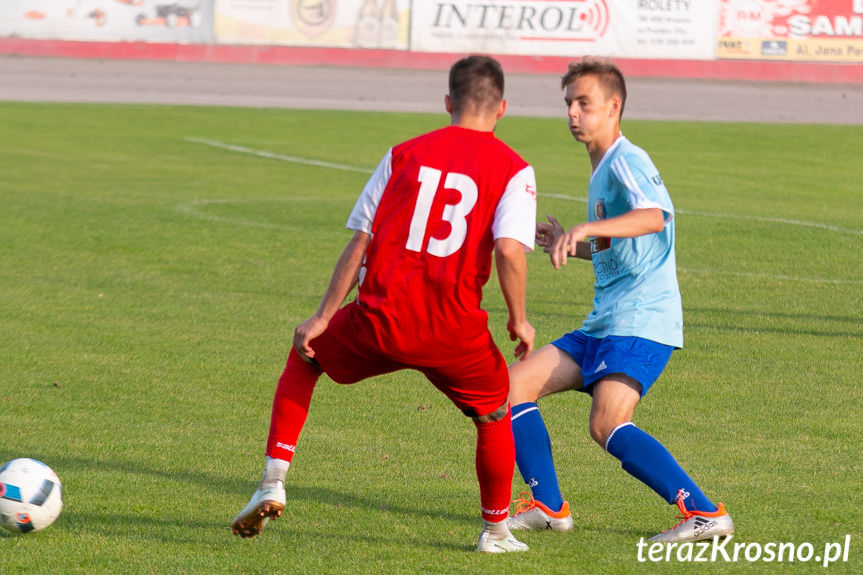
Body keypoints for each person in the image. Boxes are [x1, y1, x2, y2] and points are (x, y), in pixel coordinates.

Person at [231, 55, 538, 553]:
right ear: (502, 108)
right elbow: (508, 249)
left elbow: (361, 242)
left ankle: (272, 479)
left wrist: (323, 317)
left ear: (447, 103)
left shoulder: (403, 154)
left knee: (306, 354)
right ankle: (496, 531)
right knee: (494, 413)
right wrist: (520, 320)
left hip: (382, 318)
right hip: (453, 330)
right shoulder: (513, 169)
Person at [506, 57, 734, 543]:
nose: (573, 113)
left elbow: (655, 216)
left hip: (640, 321)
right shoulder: (601, 169)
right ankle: (548, 505)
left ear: (614, 106)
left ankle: (705, 513)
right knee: (513, 387)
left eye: (584, 103)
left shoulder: (628, 159)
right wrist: (573, 240)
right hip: (603, 324)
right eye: (569, 103)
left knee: (608, 422)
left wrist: (590, 225)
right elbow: (620, 242)